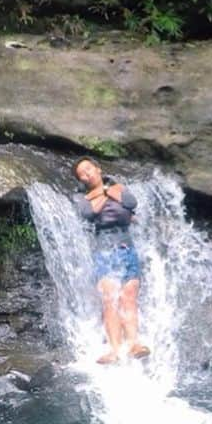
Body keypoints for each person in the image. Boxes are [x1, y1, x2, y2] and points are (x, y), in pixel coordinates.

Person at [69, 156, 150, 364]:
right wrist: (107, 192)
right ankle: (114, 349)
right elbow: (87, 213)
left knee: (129, 296)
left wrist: (105, 193)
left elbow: (131, 202)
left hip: (127, 248)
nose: (87, 175)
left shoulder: (119, 188)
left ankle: (133, 343)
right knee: (110, 299)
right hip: (104, 250)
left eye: (88, 169)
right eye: (82, 174)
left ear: (98, 169)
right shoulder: (81, 198)